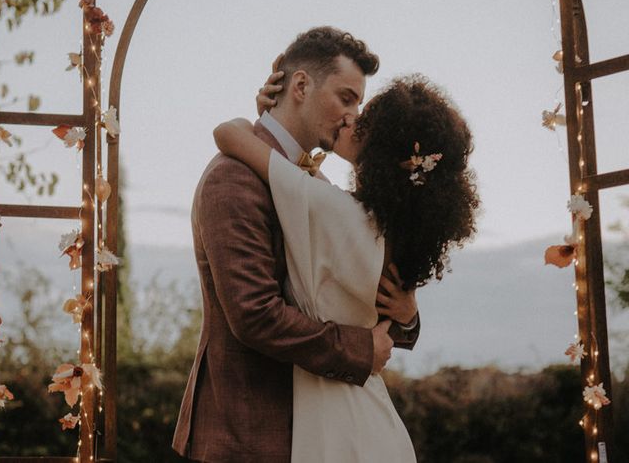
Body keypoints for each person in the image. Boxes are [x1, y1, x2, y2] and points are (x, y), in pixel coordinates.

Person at [172, 27, 420, 463]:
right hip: (250, 433)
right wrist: (363, 350)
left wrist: (406, 316)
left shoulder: (314, 184)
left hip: (318, 430)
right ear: (301, 85)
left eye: (359, 103)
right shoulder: (233, 178)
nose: (352, 117)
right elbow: (254, 314)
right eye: (346, 98)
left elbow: (351, 289)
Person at [213, 74, 480, 462]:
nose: (350, 119)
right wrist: (408, 318)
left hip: (332, 424)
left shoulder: (331, 210)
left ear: (392, 152)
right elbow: (305, 173)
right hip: (372, 417)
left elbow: (229, 135)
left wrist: (268, 117)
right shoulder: (389, 228)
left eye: (366, 120)